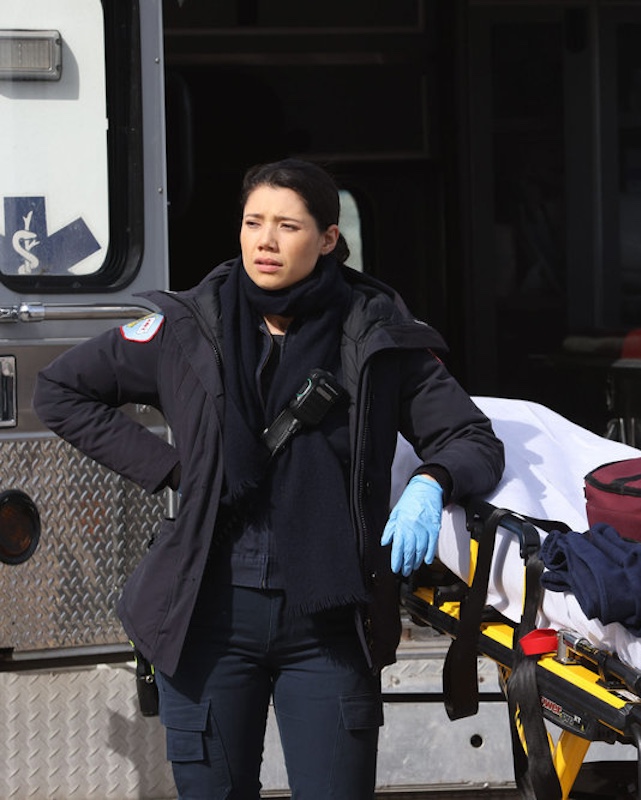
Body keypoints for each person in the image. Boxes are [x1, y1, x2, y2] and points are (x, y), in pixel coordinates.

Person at [34, 158, 504, 798]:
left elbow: (471, 437)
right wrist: (171, 469)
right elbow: (60, 390)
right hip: (208, 616)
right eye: (254, 223)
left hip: (330, 621)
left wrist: (431, 482)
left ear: (329, 238)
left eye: (288, 225)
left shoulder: (376, 335)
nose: (266, 241)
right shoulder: (186, 326)